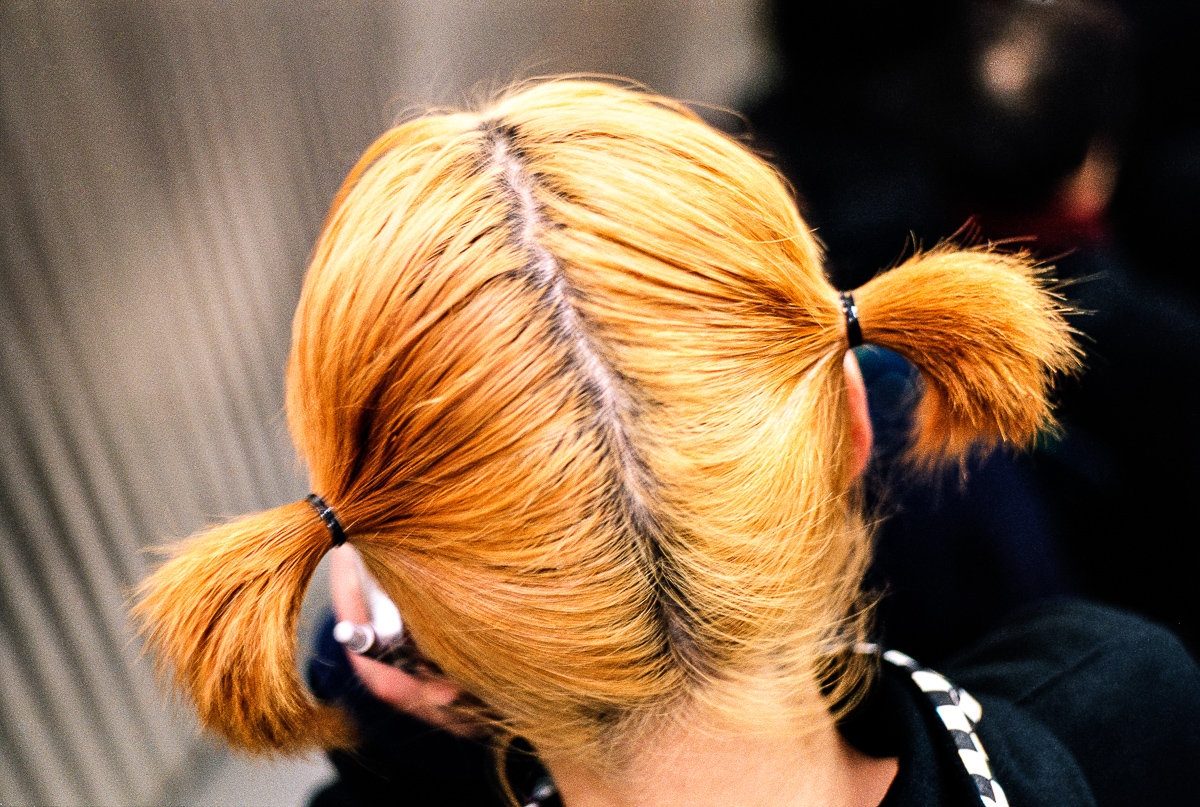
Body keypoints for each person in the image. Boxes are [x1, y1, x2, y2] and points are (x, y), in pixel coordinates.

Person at [134, 80, 1199, 807]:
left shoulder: (405, 750)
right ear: (853, 426)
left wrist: (424, 710)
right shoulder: (1118, 702)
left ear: (429, 615)